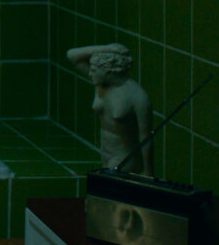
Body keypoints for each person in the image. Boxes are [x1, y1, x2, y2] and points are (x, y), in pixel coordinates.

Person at [66, 43, 153, 172]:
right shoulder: (101, 85)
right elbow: (72, 55)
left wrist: (148, 171)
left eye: (93, 70)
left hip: (125, 159)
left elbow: (145, 137)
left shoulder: (137, 97)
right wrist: (108, 48)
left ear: (107, 70)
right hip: (106, 155)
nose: (90, 73)